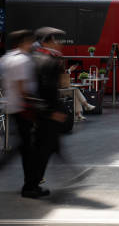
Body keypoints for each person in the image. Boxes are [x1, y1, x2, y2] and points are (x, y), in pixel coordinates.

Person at [0, 30, 42, 198]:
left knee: (23, 146)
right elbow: (22, 87)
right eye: (31, 42)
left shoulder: (5, 59)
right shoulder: (22, 60)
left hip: (13, 106)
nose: (33, 45)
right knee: (27, 148)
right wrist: (32, 106)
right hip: (23, 108)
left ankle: (31, 184)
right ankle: (30, 186)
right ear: (24, 42)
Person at [29, 27, 70, 198]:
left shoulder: (33, 57)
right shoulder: (51, 60)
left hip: (36, 108)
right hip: (49, 110)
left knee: (44, 145)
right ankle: (32, 185)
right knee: (44, 148)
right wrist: (53, 110)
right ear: (47, 41)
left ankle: (34, 181)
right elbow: (50, 88)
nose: (58, 44)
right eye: (55, 40)